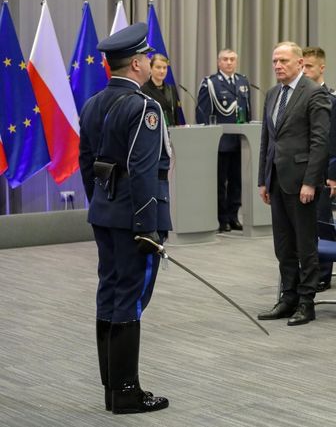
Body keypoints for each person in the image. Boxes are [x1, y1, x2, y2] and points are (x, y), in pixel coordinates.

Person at [78, 22, 171, 414]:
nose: (150, 63)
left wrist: (102, 202)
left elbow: (86, 162)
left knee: (110, 294)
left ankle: (112, 389)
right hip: (135, 221)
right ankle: (128, 391)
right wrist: (147, 228)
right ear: (136, 64)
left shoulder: (93, 102)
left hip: (105, 214)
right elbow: (143, 168)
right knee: (129, 301)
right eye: (147, 59)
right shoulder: (144, 106)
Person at [256, 41, 331, 326]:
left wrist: (311, 182)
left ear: (300, 64)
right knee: (283, 245)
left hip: (302, 183)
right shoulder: (273, 93)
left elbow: (320, 142)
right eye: (275, 61)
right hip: (276, 180)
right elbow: (267, 139)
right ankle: (287, 297)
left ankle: (306, 301)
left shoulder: (315, 93)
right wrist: (264, 179)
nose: (277, 66)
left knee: (305, 244)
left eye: (283, 61)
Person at [302, 46, 336, 293]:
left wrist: (333, 175)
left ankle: (324, 273)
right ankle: (307, 269)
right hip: (303, 170)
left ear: (321, 67)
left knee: (321, 223)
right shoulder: (300, 96)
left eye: (309, 66)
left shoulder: (333, 98)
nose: (305, 71)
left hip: (322, 173)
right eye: (302, 66)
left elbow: (335, 141)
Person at [196, 49, 252, 232]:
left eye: (232, 59)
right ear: (219, 62)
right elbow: (203, 113)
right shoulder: (210, 83)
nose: (229, 62)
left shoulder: (243, 81)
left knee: (237, 182)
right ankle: (221, 218)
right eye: (225, 59)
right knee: (220, 183)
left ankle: (234, 216)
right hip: (220, 142)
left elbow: (247, 112)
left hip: (240, 141)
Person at [140, 53, 180, 127]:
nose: (162, 71)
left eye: (164, 68)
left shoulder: (171, 89)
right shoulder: (143, 90)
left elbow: (175, 116)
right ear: (150, 68)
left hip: (172, 133)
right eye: (158, 67)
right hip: (154, 132)